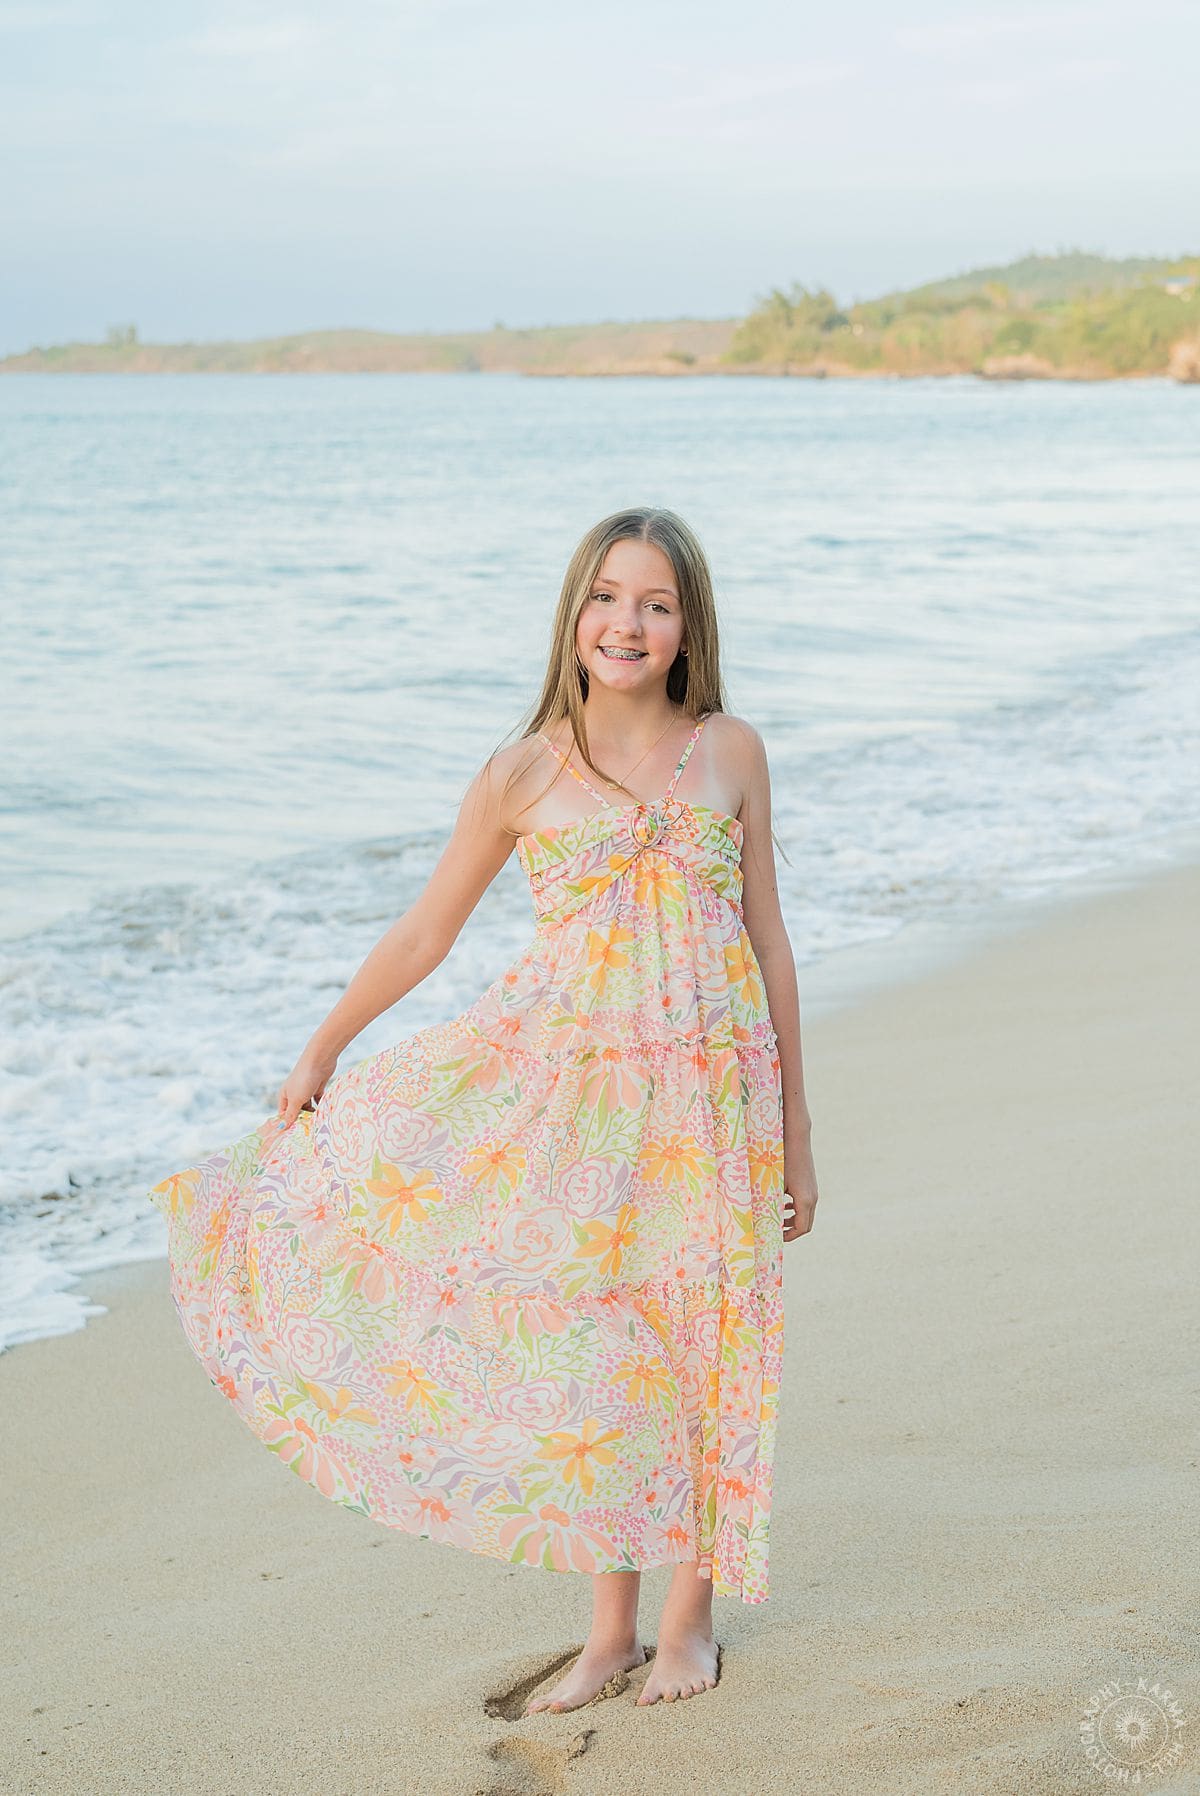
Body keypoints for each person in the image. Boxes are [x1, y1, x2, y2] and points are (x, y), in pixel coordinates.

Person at [147, 505, 818, 1713]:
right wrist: (324, 1046)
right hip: (577, 1109)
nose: (629, 619)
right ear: (573, 613)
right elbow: (425, 931)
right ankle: (608, 1629)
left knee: (708, 1344)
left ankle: (689, 1621)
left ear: (687, 628)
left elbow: (769, 940)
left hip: (715, 1106)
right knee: (604, 1353)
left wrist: (801, 1137)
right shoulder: (523, 770)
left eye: (657, 602)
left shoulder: (732, 751)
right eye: (609, 595)